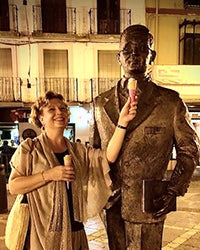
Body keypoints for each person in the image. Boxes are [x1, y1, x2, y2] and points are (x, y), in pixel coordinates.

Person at [89, 24, 199, 250]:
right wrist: (99, 191)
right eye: (127, 50)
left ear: (152, 55)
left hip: (149, 202)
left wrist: (173, 189)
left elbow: (189, 151)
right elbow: (94, 153)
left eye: (141, 49)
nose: (134, 55)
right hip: (110, 204)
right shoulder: (100, 103)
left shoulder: (170, 102)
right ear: (118, 57)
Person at [8, 90, 137, 250]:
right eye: (51, 109)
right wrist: (49, 174)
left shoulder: (77, 151)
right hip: (43, 234)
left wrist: (122, 122)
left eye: (62, 109)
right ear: (41, 117)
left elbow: (108, 157)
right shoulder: (30, 148)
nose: (59, 113)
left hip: (75, 230)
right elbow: (14, 186)